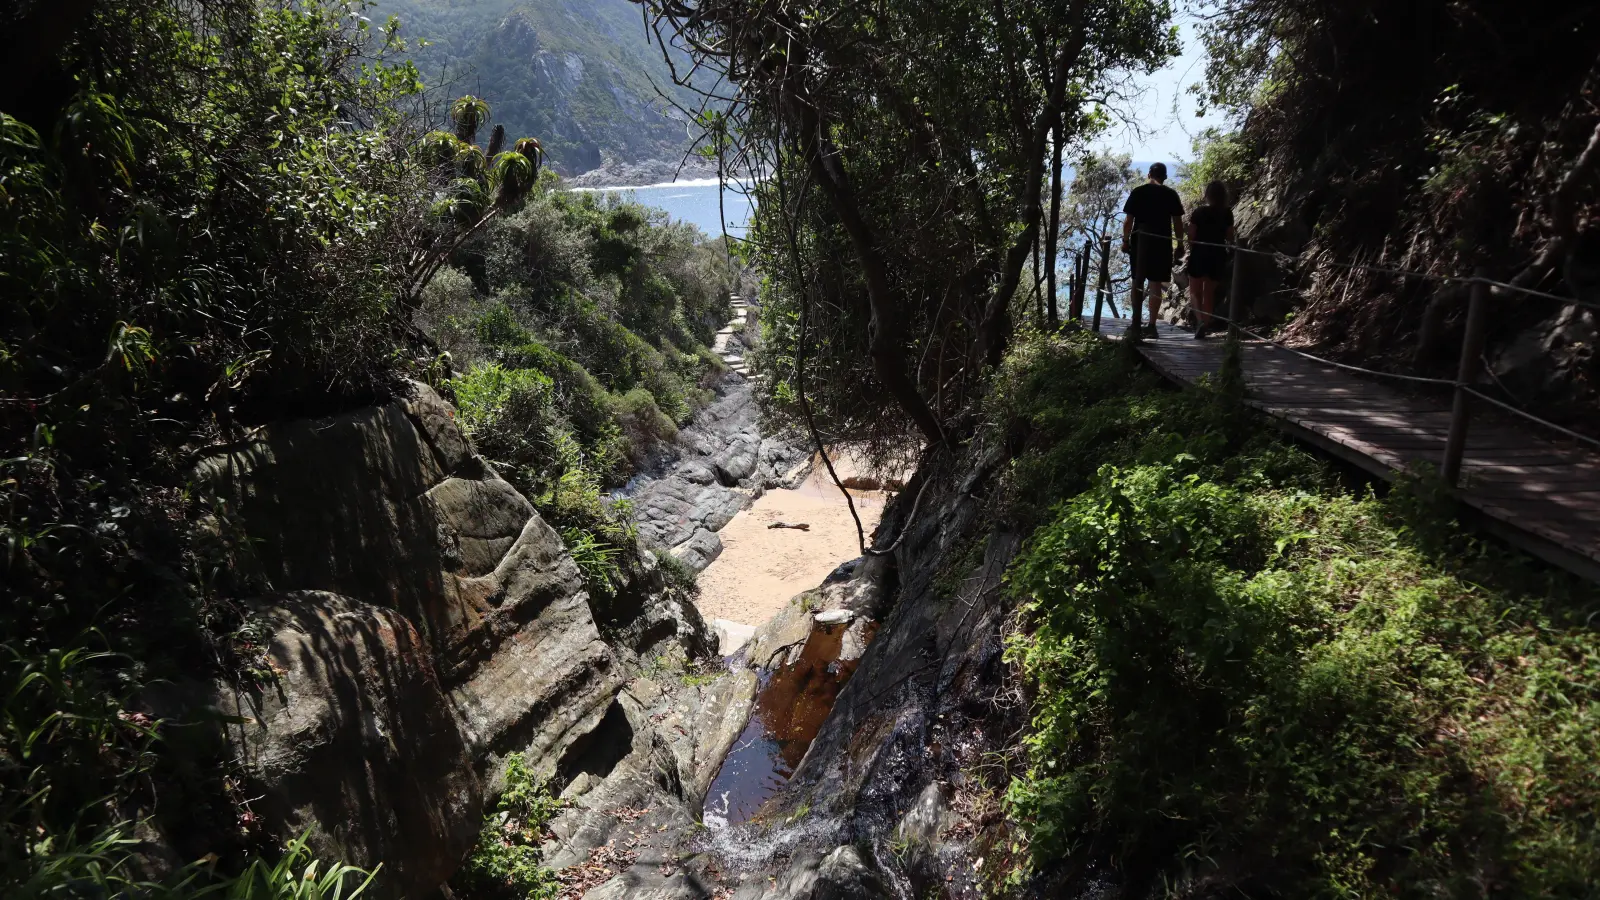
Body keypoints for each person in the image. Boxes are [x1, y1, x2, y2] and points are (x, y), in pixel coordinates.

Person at [1121, 162, 1185, 338]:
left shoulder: (1138, 192)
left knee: (1137, 280)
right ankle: (1151, 325)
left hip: (1139, 242)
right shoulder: (1171, 194)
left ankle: (1135, 322)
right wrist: (1180, 244)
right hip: (1162, 243)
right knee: (1155, 283)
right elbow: (1177, 222)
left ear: (1149, 174)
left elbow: (1128, 221)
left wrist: (1125, 241)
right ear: (1165, 177)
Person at [1185, 180, 1236, 339]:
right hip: (1217, 254)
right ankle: (1205, 324)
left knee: (1195, 291)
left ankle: (1200, 320)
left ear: (1208, 194)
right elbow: (1230, 236)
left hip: (1199, 253)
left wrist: (1191, 247)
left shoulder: (1199, 212)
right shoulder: (1227, 213)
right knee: (1209, 292)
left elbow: (1191, 234)